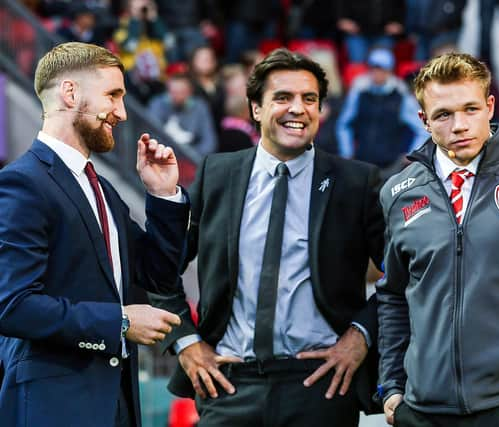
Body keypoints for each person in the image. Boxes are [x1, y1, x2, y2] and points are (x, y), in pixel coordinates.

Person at [149, 48, 385, 426]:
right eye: (283, 97)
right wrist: (187, 343)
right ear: (256, 109)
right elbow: (160, 269)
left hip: (321, 386)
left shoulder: (357, 182)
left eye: (310, 99)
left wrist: (361, 336)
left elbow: (404, 273)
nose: (298, 108)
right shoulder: (217, 174)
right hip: (228, 384)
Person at [0, 42, 191, 427]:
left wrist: (164, 195)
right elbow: (12, 306)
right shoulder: (21, 184)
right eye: (113, 95)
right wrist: (118, 322)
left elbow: (157, 275)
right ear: (70, 93)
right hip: (54, 407)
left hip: (118, 404)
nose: (121, 112)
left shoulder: (103, 188)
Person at [376, 52, 499, 427]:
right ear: (424, 120)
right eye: (444, 115)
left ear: (490, 106)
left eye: (470, 109)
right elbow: (394, 296)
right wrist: (393, 389)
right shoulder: (397, 193)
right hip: (423, 410)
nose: (459, 125)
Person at [336, 47, 427, 180]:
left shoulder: (400, 95)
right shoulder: (360, 91)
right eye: (373, 68)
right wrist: (346, 152)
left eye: (381, 69)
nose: (377, 73)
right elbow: (344, 124)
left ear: (389, 70)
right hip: (362, 164)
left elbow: (423, 128)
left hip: (391, 167)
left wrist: (412, 153)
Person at [147, 72, 218, 156]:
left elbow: (209, 141)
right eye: (174, 92)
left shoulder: (200, 107)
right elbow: (152, 136)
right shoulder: (157, 104)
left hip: (192, 158)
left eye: (182, 92)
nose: (178, 96)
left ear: (190, 92)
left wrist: (191, 157)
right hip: (163, 157)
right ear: (168, 91)